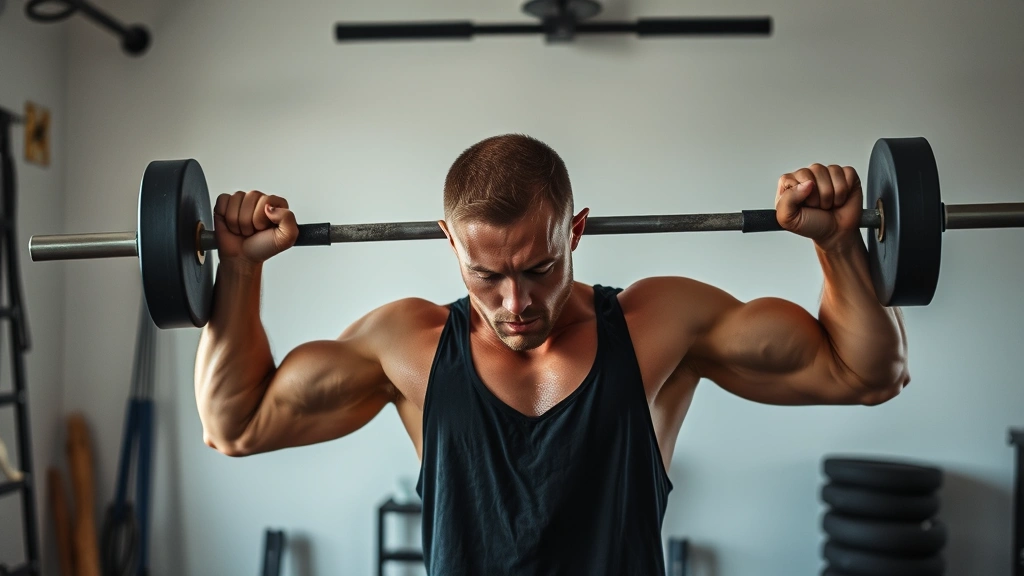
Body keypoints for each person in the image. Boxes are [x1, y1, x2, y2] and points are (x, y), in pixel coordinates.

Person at [194, 134, 909, 575]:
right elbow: (236, 426)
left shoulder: (657, 325)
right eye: (485, 274)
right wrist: (239, 268)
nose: (514, 303)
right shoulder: (407, 347)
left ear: (577, 232)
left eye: (537, 268)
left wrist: (841, 244)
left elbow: (868, 374)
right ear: (450, 242)